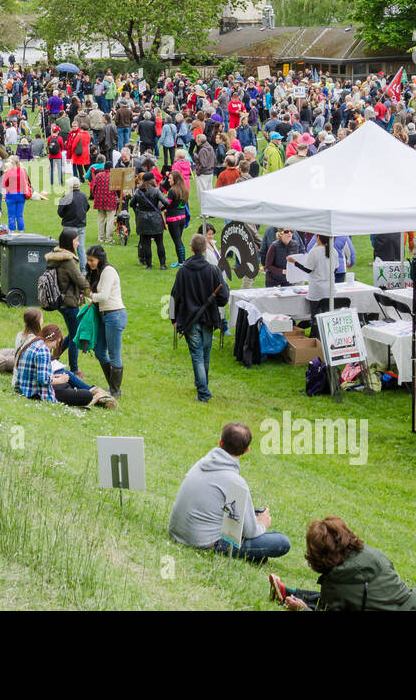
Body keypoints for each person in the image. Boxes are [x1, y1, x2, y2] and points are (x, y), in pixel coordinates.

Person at [167, 422, 291, 563]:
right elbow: (250, 532)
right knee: (281, 542)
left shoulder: (201, 463)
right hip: (205, 542)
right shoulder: (235, 481)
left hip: (177, 532)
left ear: (220, 442)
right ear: (246, 450)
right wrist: (262, 524)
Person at [269, 517, 416, 611]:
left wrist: (302, 610)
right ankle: (290, 593)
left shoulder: (335, 584)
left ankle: (293, 598)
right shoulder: (373, 554)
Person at [171, 233, 230, 403]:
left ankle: (203, 391)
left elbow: (174, 296)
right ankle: (202, 387)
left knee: (198, 356)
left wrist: (173, 319)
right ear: (205, 249)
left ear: (191, 248)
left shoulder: (183, 271)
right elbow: (224, 297)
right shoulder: (212, 270)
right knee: (203, 355)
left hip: (190, 318)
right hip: (207, 318)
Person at [12, 308, 96, 407]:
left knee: (67, 383)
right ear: (52, 339)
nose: (56, 347)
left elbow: (39, 374)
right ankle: (94, 393)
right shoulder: (43, 350)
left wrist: (55, 377)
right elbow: (43, 380)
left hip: (25, 388)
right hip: (35, 393)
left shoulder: (34, 342)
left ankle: (79, 391)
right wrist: (60, 380)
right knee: (86, 395)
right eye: (57, 343)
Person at [45, 228, 91, 375]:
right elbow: (79, 279)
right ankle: (74, 369)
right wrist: (92, 292)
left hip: (62, 300)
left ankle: (54, 357)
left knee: (73, 332)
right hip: (69, 302)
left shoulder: (58, 257)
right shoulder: (68, 261)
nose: (78, 243)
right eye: (76, 240)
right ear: (70, 242)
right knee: (75, 336)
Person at [85, 244, 127, 399]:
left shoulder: (108, 271)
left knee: (114, 353)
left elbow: (104, 296)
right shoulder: (97, 272)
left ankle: (115, 391)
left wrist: (88, 294)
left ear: (100, 259)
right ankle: (112, 386)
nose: (90, 263)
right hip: (104, 315)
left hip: (115, 315)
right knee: (99, 351)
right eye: (88, 260)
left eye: (92, 260)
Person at [288, 233, 334, 321]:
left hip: (317, 290)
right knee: (328, 316)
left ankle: (315, 333)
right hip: (330, 289)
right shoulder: (333, 251)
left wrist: (294, 262)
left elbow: (308, 269)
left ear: (318, 238)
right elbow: (335, 268)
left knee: (315, 317)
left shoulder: (314, 251)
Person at [130, 170, 167, 269]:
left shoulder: (138, 192)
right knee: (159, 243)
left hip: (143, 220)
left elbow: (131, 204)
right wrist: (161, 209)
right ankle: (162, 265)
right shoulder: (156, 191)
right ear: (152, 180)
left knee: (146, 243)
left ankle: (149, 265)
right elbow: (166, 202)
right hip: (156, 219)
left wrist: (137, 211)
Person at [56, 177, 90, 270]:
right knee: (81, 248)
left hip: (69, 226)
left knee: (68, 249)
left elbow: (60, 212)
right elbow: (87, 207)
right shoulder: (83, 196)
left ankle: (70, 269)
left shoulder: (66, 197)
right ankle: (84, 270)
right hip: (81, 224)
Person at [0, 155, 32, 231]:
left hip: (10, 195)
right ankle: (21, 231)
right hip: (21, 195)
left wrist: (3, 196)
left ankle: (12, 231)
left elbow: (4, 185)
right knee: (20, 215)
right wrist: (26, 194)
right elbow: (25, 184)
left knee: (11, 216)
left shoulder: (7, 173)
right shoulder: (22, 171)